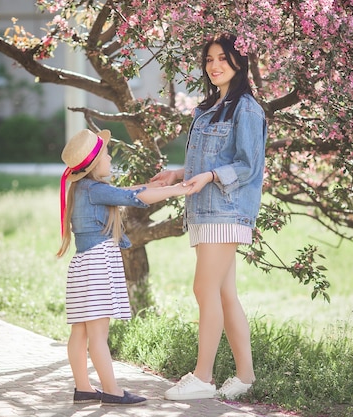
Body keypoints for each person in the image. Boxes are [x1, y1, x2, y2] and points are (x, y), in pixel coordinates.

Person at [151, 33, 268, 401]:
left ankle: (203, 377)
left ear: (239, 63)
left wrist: (213, 177)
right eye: (209, 59)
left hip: (227, 209)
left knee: (203, 289)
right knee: (223, 292)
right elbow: (205, 162)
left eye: (223, 58)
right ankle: (246, 377)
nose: (214, 65)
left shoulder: (246, 109)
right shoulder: (207, 109)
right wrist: (178, 174)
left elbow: (248, 166)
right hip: (204, 208)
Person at [57, 128, 189, 406]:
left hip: (83, 265)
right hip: (97, 264)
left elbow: (125, 192)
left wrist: (157, 187)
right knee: (98, 335)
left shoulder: (83, 188)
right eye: (106, 153)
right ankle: (112, 391)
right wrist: (177, 190)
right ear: (94, 164)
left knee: (80, 331)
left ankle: (84, 388)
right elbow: (134, 198)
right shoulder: (95, 189)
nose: (109, 157)